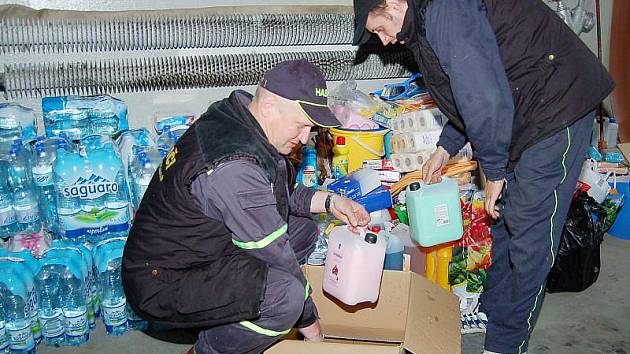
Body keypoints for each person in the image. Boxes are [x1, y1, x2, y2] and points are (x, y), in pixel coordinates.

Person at [353, 1, 614, 353]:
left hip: (558, 106)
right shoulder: (423, 24)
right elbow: (465, 88)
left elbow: (484, 96)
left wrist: (492, 170)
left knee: (530, 237)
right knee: (504, 222)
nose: (383, 41)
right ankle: (493, 312)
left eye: (381, 28)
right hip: (525, 109)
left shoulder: (445, 9)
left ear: (395, 3)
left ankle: (506, 344)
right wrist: (446, 147)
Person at [122, 59, 370, 354]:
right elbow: (279, 257)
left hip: (196, 247)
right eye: (302, 125)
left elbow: (281, 193)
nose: (306, 138)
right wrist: (313, 332)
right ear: (268, 106)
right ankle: (207, 349)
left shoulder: (241, 121)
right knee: (287, 298)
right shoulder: (234, 167)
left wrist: (331, 201)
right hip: (161, 279)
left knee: (303, 230)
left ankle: (230, 309)